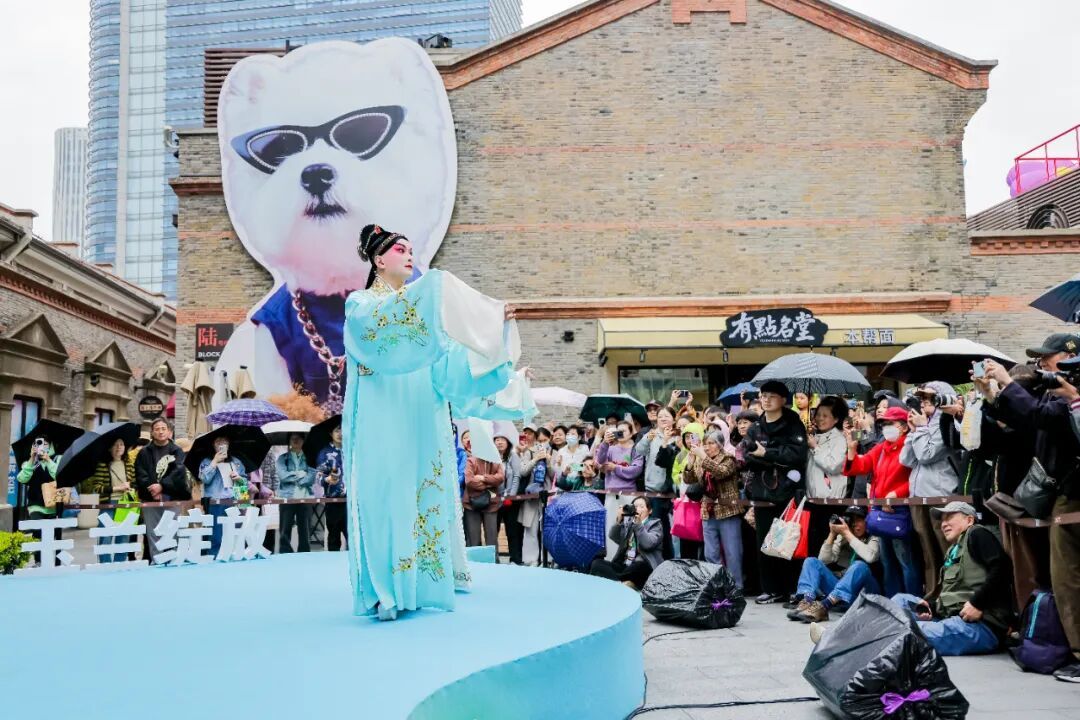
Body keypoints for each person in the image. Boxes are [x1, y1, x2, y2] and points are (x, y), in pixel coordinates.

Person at [341, 224, 533, 620]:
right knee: (387, 492)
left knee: (424, 491)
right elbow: (381, 327)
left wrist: (491, 327)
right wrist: (431, 292)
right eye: (400, 249)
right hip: (383, 419)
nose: (409, 255)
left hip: (424, 419)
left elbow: (452, 373)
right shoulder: (360, 306)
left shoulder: (426, 322)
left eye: (412, 249)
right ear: (378, 260)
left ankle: (424, 581)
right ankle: (388, 589)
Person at [979, 343, 1080, 682]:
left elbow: (1037, 417)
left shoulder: (1067, 396)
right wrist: (993, 396)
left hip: (1070, 495)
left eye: (1047, 358)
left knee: (1066, 578)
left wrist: (1008, 383)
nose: (1041, 365)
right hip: (1055, 495)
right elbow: (1024, 422)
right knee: (1057, 577)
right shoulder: (1057, 394)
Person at [888, 502, 1014, 656]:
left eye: (949, 517)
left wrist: (977, 603)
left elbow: (1002, 568)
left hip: (981, 625)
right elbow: (954, 594)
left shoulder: (977, 534)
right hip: (951, 617)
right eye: (942, 520)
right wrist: (931, 607)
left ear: (969, 520)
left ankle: (885, 636)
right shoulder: (953, 549)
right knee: (899, 600)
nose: (943, 524)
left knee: (907, 633)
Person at [741, 380, 808, 604]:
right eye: (763, 395)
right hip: (762, 492)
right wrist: (771, 457)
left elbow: (797, 455)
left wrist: (767, 454)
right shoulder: (755, 427)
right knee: (765, 541)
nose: (766, 400)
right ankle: (770, 589)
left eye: (772, 396)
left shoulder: (793, 424)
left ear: (783, 400)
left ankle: (793, 588)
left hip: (788, 491)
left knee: (789, 539)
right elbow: (748, 457)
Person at [842, 406, 920, 597]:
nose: (885, 427)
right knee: (888, 562)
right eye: (883, 424)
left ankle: (912, 603)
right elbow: (860, 466)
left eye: (890, 423)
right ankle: (892, 602)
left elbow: (916, 476)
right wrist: (852, 448)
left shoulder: (910, 444)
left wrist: (897, 494)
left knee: (906, 562)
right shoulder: (881, 448)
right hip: (880, 512)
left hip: (900, 511)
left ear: (904, 426)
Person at [901, 381, 960, 598]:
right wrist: (913, 431)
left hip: (941, 496)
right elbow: (906, 459)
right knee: (928, 552)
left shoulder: (945, 422)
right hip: (918, 496)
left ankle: (951, 596)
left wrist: (922, 428)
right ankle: (933, 597)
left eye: (929, 397)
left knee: (946, 549)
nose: (923, 402)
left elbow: (926, 455)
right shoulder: (922, 423)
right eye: (922, 397)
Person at [790, 506, 880, 623]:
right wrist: (832, 534)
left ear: (867, 521)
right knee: (811, 561)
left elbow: (870, 557)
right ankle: (807, 601)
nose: (854, 524)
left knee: (859, 565)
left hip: (864, 592)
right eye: (852, 520)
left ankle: (825, 606)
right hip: (841, 593)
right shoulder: (843, 537)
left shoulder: (873, 536)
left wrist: (847, 534)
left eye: (859, 520)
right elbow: (823, 560)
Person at [682, 429, 741, 586]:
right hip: (708, 511)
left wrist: (702, 456)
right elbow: (689, 480)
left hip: (727, 511)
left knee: (732, 552)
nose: (707, 447)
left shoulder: (728, 459)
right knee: (710, 553)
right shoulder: (701, 460)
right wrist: (690, 462)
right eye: (705, 443)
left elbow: (720, 472)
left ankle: (736, 586)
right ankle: (718, 585)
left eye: (711, 443)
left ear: (720, 445)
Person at [134, 418, 189, 563]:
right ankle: (157, 561)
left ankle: (172, 561)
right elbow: (140, 474)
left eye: (163, 428)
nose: (160, 431)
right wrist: (153, 490)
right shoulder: (144, 452)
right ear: (152, 432)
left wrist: (162, 486)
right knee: (153, 532)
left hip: (172, 498)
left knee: (172, 531)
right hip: (150, 498)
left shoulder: (177, 451)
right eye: (157, 429)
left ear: (169, 432)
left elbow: (179, 473)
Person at [804, 396, 850, 557]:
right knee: (812, 545)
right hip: (812, 500)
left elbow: (834, 466)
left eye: (825, 415)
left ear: (836, 419)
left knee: (827, 547)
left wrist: (815, 448)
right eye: (818, 414)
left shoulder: (839, 439)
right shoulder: (813, 437)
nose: (820, 418)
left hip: (831, 501)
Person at [81, 437, 136, 563]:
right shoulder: (103, 465)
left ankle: (119, 564)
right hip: (108, 504)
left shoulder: (128, 464)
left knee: (123, 537)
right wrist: (117, 488)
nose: (119, 447)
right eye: (115, 445)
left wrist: (130, 485)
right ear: (109, 448)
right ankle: (105, 565)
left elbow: (135, 482)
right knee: (105, 536)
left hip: (125, 503)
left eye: (121, 444)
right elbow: (97, 487)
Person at [596, 419, 644, 559]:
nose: (621, 433)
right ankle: (611, 558)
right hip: (611, 493)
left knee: (629, 527)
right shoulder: (610, 448)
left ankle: (629, 558)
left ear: (631, 433)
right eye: (619, 431)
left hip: (629, 493)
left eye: (624, 431)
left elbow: (635, 470)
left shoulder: (636, 449)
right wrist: (605, 442)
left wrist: (615, 468)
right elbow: (600, 461)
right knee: (611, 526)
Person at [589, 496, 662, 589]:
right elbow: (614, 537)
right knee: (596, 563)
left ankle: (615, 580)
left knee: (639, 567)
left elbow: (648, 544)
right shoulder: (629, 523)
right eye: (635, 506)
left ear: (650, 511)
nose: (637, 509)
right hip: (625, 564)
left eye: (641, 506)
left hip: (641, 565)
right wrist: (619, 520)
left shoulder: (655, 525)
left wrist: (638, 525)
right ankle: (625, 582)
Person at [635, 407, 679, 558]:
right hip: (654, 488)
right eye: (660, 416)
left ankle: (672, 558)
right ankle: (659, 559)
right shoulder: (652, 434)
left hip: (674, 489)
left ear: (674, 419)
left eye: (667, 416)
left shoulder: (678, 436)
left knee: (673, 528)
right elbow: (639, 450)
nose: (663, 419)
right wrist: (647, 439)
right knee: (657, 526)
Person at [198, 435, 250, 556]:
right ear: (213, 445)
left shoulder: (236, 461)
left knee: (236, 531)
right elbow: (204, 479)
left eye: (224, 442)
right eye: (218, 442)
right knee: (216, 534)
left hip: (235, 499)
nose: (221, 444)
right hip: (216, 502)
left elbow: (245, 482)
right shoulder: (207, 461)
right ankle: (215, 556)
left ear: (228, 445)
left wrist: (239, 478)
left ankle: (235, 556)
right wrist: (214, 462)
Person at [16, 436, 64, 564]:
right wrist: (32, 459)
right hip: (36, 504)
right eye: (38, 443)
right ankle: (38, 561)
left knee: (53, 535)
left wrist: (48, 460)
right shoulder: (30, 462)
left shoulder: (57, 459)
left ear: (51, 445)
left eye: (45, 443)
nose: (42, 446)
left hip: (54, 504)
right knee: (37, 531)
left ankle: (52, 563)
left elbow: (60, 476)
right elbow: (21, 478)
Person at [462, 430, 506, 547]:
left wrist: (483, 478)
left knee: (492, 540)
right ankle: (475, 560)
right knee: (474, 540)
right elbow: (469, 481)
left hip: (491, 503)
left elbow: (501, 478)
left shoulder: (495, 461)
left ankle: (493, 559)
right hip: (471, 503)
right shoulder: (471, 460)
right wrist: (490, 483)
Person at [276, 433, 315, 553]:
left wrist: (298, 478)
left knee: (305, 529)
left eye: (298, 438)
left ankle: (304, 552)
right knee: (285, 528)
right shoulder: (283, 458)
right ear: (289, 441)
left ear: (303, 440)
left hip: (306, 496)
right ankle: (285, 552)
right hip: (287, 496)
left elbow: (312, 477)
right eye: (293, 438)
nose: (295, 440)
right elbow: (283, 476)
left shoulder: (310, 457)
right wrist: (301, 474)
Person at [316, 423, 347, 552]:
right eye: (336, 430)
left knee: (353, 537)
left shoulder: (352, 451)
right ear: (331, 433)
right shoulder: (325, 453)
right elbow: (319, 476)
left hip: (351, 501)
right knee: (334, 537)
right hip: (333, 500)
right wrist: (327, 479)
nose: (340, 433)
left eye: (342, 430)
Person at [494, 429, 523, 563]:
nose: (499, 442)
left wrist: (511, 496)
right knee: (493, 530)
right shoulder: (491, 457)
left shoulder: (513, 456)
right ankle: (494, 558)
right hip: (495, 500)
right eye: (497, 440)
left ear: (508, 442)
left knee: (512, 530)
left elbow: (517, 476)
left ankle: (515, 559)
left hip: (510, 500)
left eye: (502, 439)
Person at [554, 425, 590, 492]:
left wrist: (572, 467)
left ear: (579, 437)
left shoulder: (584, 448)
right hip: (565, 485)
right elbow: (557, 472)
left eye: (573, 434)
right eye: (568, 434)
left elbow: (587, 466)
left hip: (580, 484)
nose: (569, 436)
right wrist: (558, 465)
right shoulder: (561, 451)